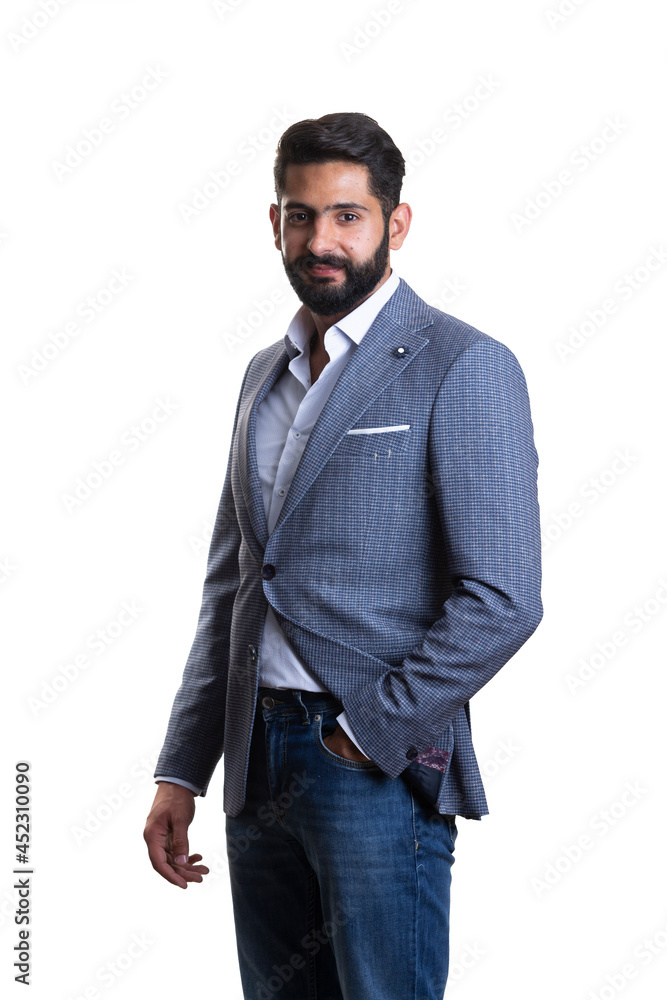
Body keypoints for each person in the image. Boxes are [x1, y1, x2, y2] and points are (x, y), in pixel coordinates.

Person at [144, 111, 543, 1000]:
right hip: (253, 761)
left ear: (396, 224)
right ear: (275, 222)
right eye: (300, 215)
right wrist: (183, 769)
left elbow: (504, 597)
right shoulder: (263, 374)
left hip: (368, 767)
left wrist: (362, 738)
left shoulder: (463, 365)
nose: (320, 240)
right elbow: (234, 586)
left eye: (347, 216)